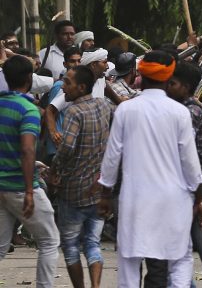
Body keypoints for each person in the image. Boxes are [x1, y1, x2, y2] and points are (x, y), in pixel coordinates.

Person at [97, 51, 202, 287]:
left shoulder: (126, 110)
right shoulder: (179, 113)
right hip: (173, 200)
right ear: (168, 78)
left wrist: (105, 195)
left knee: (129, 263)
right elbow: (190, 162)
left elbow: (112, 156)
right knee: (178, 260)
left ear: (139, 75)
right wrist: (200, 199)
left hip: (134, 199)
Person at [0, 55, 60, 286]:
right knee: (49, 240)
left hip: (2, 186)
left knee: (1, 247)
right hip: (19, 186)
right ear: (29, 79)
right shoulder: (29, 109)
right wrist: (28, 191)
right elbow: (26, 149)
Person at [50, 66, 112, 288]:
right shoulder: (104, 105)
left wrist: (55, 169)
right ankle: (95, 286)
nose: (63, 87)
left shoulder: (74, 112)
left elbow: (66, 148)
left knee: (70, 246)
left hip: (73, 190)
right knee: (92, 243)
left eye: (67, 83)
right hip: (98, 188)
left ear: (82, 87)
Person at [44, 47, 82, 164]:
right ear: (65, 64)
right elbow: (50, 111)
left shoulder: (77, 84)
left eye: (79, 61)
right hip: (58, 148)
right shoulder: (60, 86)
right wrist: (54, 134)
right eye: (72, 61)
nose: (76, 64)